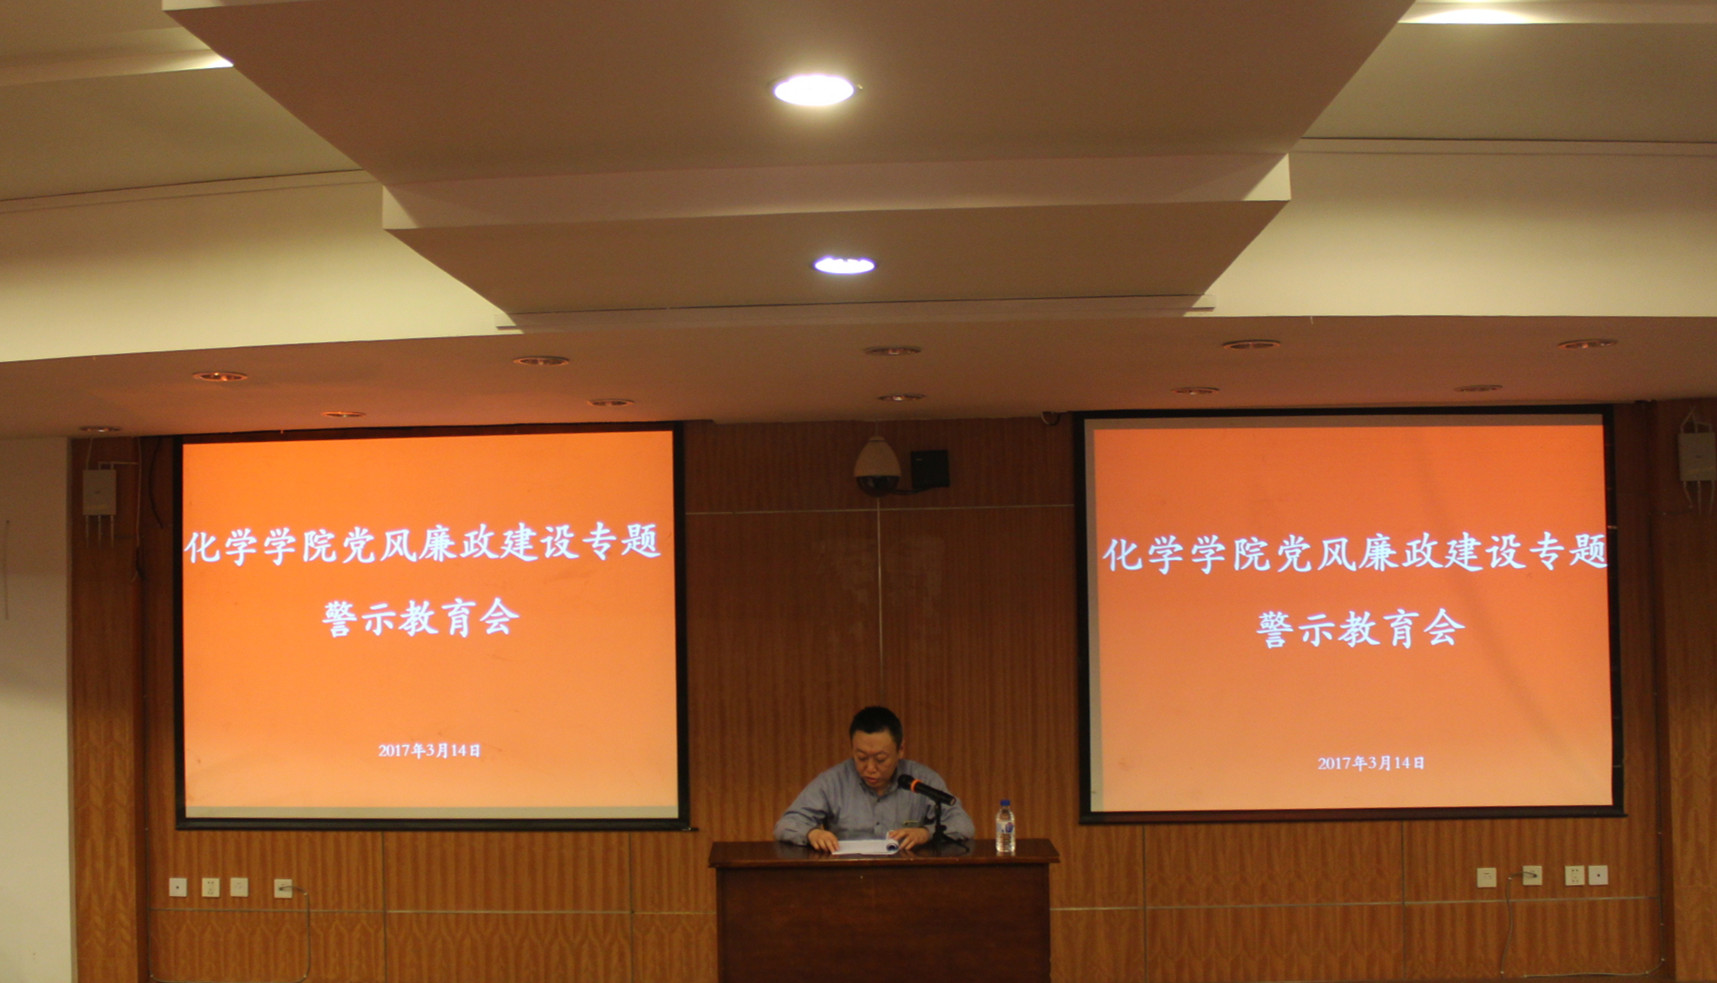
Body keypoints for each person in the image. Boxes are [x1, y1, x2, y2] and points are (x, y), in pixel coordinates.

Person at [774, 705, 975, 852]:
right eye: (861, 757)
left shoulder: (922, 780)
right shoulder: (833, 781)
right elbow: (786, 824)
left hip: (907, 876)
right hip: (848, 876)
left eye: (880, 759)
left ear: (900, 750)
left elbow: (963, 824)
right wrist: (812, 834)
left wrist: (926, 833)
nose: (870, 768)